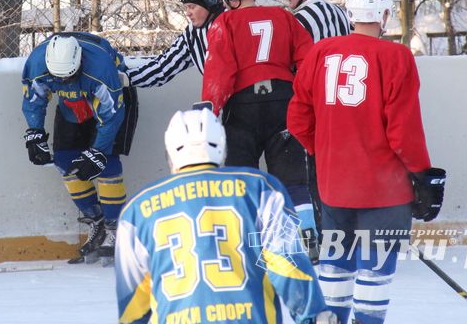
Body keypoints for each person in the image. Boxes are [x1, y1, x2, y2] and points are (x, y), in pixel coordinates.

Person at [287, 0, 444, 324]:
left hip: (333, 185)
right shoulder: (396, 56)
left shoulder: (320, 53)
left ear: (350, 13)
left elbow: (297, 118)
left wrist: (324, 150)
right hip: (382, 188)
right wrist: (421, 174)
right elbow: (403, 130)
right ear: (385, 13)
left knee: (336, 265)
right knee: (375, 269)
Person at [115, 107, 330, 324]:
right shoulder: (260, 189)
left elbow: (134, 305)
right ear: (223, 148)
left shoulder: (136, 210)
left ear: (170, 152)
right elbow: (286, 263)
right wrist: (313, 315)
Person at [200, 0, 318, 260]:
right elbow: (307, 59)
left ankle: (246, 244)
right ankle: (307, 236)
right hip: (283, 101)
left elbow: (220, 71)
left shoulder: (224, 23)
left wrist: (209, 110)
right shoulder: (283, 16)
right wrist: (304, 99)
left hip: (244, 107)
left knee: (243, 178)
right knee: (292, 178)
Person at [22, 31, 136, 264]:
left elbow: (111, 116)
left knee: (106, 163)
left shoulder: (101, 69)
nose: (64, 81)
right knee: (65, 160)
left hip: (110, 104)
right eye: (59, 77)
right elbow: (35, 99)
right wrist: (35, 133)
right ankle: (97, 221)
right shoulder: (36, 63)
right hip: (71, 105)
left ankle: (116, 228)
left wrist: (98, 151)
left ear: (78, 62)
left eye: (68, 75)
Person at [279, 0, 351, 233]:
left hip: (316, 105)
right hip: (345, 103)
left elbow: (293, 63)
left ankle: (325, 232)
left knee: (316, 170)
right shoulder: (340, 13)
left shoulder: (298, 19)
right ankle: (348, 230)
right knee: (344, 169)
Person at [125, 0, 224, 87]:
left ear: (211, 1)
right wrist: (124, 78)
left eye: (192, 7)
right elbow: (164, 66)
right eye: (185, 7)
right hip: (219, 97)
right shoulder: (192, 34)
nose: (188, 13)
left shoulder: (232, 23)